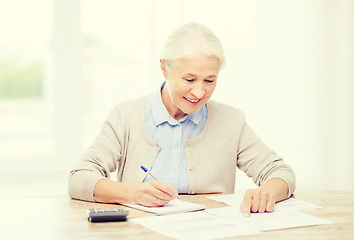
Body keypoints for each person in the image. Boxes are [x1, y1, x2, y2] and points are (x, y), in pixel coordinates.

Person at [68, 22, 295, 217]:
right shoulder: (125, 116)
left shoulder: (231, 121)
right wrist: (132, 193)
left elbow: (280, 173)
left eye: (209, 80)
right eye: (189, 79)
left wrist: (268, 192)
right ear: (164, 69)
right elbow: (79, 179)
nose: (198, 92)